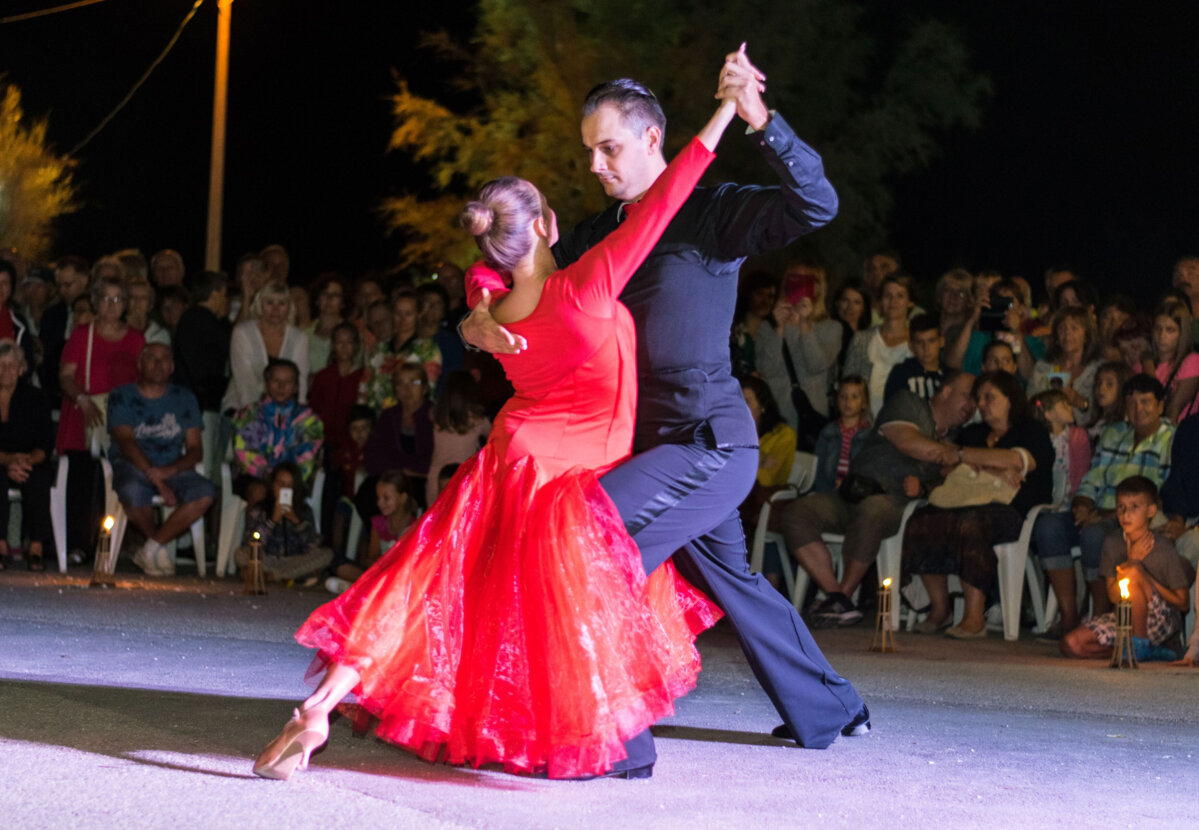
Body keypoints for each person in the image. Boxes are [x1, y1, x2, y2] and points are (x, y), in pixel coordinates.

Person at [254, 88, 738, 782]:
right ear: (545, 224)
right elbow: (669, 195)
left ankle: (320, 705)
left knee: (428, 584)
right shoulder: (588, 285)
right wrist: (721, 113)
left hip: (506, 459)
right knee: (556, 616)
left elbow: (484, 280)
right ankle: (573, 735)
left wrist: (476, 305)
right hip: (568, 479)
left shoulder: (496, 312)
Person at [461, 49, 867, 761]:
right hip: (648, 451)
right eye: (589, 151)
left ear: (652, 138)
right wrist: (477, 310)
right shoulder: (597, 234)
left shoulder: (712, 212)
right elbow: (509, 261)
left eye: (608, 148)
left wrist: (760, 120)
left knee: (588, 545)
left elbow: (816, 203)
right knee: (733, 582)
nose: (595, 165)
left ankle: (619, 740)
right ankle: (831, 706)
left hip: (708, 441)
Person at [774, 374, 977, 626]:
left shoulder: (958, 438)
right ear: (946, 391)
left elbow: (949, 484)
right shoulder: (910, 403)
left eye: (976, 401)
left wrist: (925, 487)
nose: (972, 405)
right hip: (853, 491)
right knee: (797, 513)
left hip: (893, 502)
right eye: (968, 396)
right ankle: (838, 597)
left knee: (872, 511)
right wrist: (951, 454)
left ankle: (840, 599)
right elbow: (908, 442)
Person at [902, 372, 1054, 638]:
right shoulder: (974, 433)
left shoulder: (1031, 431)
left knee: (971, 523)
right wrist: (990, 467)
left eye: (989, 397)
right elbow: (946, 466)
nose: (981, 404)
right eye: (979, 398)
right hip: (965, 501)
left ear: (1010, 399)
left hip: (1013, 510)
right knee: (921, 519)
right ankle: (940, 608)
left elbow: (1018, 461)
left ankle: (974, 616)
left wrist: (966, 457)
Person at [1031, 375, 1175, 632]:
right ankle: (1068, 615)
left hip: (1134, 519)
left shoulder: (1171, 440)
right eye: (1131, 402)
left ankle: (1098, 614)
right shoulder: (1114, 433)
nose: (1138, 409)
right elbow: (1094, 475)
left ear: (1161, 406)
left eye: (1145, 402)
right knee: (1048, 527)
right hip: (1097, 511)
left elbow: (1161, 495)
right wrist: (1082, 504)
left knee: (1094, 535)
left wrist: (1109, 515)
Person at [107, 344, 216, 576]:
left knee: (205, 492)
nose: (158, 364)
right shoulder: (122, 396)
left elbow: (196, 450)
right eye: (151, 358)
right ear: (140, 365)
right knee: (132, 490)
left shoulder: (184, 398)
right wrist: (157, 479)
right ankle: (158, 548)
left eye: (164, 359)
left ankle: (152, 547)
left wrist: (168, 472)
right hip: (133, 464)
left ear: (172, 367)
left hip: (172, 465)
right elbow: (126, 443)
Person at [56, 276, 145, 560]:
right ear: (96, 302)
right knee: (82, 481)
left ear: (126, 304)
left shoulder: (136, 339)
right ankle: (79, 545)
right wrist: (82, 399)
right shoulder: (83, 334)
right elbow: (66, 376)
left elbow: (142, 381)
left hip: (121, 419)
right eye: (106, 298)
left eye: (118, 299)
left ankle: (109, 545)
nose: (111, 305)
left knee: (118, 479)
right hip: (85, 414)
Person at [1060, 476, 1192, 661]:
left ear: (1151, 510)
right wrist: (1131, 560)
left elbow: (1183, 602)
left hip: (1162, 618)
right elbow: (1114, 596)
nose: (1126, 514)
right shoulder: (1112, 543)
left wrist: (1144, 578)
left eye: (1134, 507)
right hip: (1125, 616)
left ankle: (1139, 646)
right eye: (1121, 507)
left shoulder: (1163, 548)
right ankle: (1135, 652)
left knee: (1133, 573)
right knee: (1071, 645)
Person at [755, 262, 841, 426]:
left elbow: (816, 365)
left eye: (806, 281)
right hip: (774, 416)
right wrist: (779, 329)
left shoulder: (831, 328)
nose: (799, 287)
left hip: (809, 416)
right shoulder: (767, 327)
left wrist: (805, 325)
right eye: (794, 280)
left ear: (818, 288)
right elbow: (766, 369)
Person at [231, 359, 323, 509]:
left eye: (287, 382)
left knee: (287, 494)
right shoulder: (248, 414)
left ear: (295, 387)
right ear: (267, 384)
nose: (281, 386)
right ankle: (255, 525)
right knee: (259, 492)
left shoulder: (308, 419)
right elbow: (245, 453)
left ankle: (286, 523)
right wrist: (269, 478)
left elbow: (307, 457)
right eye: (276, 381)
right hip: (255, 477)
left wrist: (284, 480)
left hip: (292, 479)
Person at [172, 270, 232, 483]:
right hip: (199, 405)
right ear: (215, 293)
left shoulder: (198, 319)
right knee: (203, 468)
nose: (226, 300)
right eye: (225, 294)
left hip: (204, 404)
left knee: (211, 469)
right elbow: (226, 343)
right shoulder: (197, 317)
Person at [0, 340, 53, 571]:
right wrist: (7, 461)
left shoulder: (35, 398)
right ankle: (0, 546)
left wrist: (24, 461)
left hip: (30, 461)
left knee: (38, 477)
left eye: (11, 365)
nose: (5, 370)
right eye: (0, 365)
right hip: (1, 461)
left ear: (21, 369)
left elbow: (45, 443)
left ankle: (36, 547)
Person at [234, 462, 332, 584]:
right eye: (281, 484)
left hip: (294, 560)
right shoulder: (261, 509)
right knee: (241, 554)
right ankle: (288, 576)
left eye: (289, 486)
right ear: (273, 485)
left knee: (327, 554)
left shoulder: (304, 511)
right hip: (268, 559)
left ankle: (270, 576)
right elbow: (250, 542)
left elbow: (312, 546)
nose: (284, 489)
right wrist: (272, 521)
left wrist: (296, 521)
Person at [325, 469, 417, 596]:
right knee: (340, 566)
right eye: (378, 498)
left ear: (403, 498)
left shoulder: (414, 526)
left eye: (386, 498)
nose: (380, 503)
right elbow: (371, 558)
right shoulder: (378, 523)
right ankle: (369, 589)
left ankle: (358, 589)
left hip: (400, 577)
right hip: (380, 573)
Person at [224, 280, 310, 411]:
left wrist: (299, 412)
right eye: (269, 303)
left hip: (285, 411)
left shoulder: (299, 338)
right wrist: (254, 413)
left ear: (289, 307)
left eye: (281, 303)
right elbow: (243, 379)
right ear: (260, 305)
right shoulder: (242, 332)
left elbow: (301, 379)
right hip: (242, 407)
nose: (275, 309)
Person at [842, 272, 915, 416]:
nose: (893, 301)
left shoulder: (918, 342)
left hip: (905, 421)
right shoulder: (861, 339)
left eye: (900, 296)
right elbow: (847, 385)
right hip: (867, 423)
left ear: (910, 302)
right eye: (888, 295)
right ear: (880, 301)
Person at [1027, 306, 1102, 426]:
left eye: (1074, 328)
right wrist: (1046, 402)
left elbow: (1103, 413)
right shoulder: (1042, 368)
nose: (1067, 333)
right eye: (1062, 328)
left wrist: (1081, 403)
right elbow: (1032, 404)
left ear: (1086, 335)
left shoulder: (1098, 370)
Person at [426, 370, 489, 507]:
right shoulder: (478, 420)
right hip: (464, 480)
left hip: (436, 481)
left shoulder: (436, 416)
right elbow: (495, 435)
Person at [1030, 389, 1091, 513]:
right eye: (1064, 405)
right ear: (1049, 414)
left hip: (1071, 499)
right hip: (1046, 498)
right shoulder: (1040, 440)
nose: (1070, 408)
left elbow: (1082, 469)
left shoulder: (1078, 436)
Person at [810, 376, 871, 494]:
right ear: (837, 400)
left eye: (854, 397)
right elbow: (817, 466)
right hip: (827, 490)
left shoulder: (868, 435)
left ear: (864, 403)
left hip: (854, 493)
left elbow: (868, 469)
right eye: (843, 396)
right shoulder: (828, 432)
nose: (848, 401)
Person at [1148, 298, 1199, 422]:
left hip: (1176, 430)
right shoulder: (1141, 364)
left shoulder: (1192, 361)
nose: (1162, 336)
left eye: (1170, 330)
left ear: (1182, 333)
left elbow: (1174, 409)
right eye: (1158, 328)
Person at [884, 313, 945, 403]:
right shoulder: (900, 374)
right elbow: (891, 409)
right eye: (919, 342)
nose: (926, 348)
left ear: (941, 342)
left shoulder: (949, 375)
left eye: (931, 341)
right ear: (911, 346)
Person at [304, 273, 347, 382]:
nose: (329, 299)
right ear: (317, 299)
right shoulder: (303, 335)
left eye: (335, 295)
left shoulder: (352, 334)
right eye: (324, 294)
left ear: (342, 302)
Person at [1087, 360, 1134, 442]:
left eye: (1109, 384)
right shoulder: (1097, 421)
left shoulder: (1124, 425)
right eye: (1099, 383)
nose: (1101, 388)